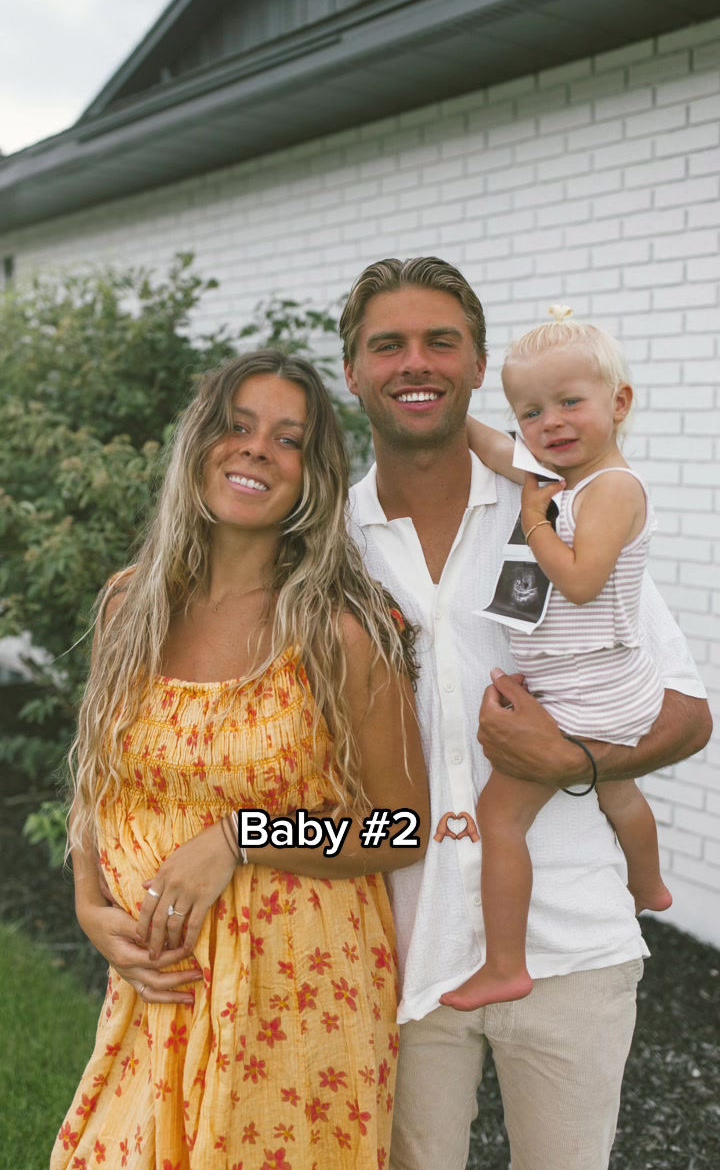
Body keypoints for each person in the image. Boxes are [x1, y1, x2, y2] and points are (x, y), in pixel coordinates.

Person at [339, 257, 711, 1170]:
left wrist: (574, 762)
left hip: (570, 943)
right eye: (388, 345)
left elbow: (687, 715)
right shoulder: (329, 543)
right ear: (351, 371)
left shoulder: (562, 509)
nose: (415, 363)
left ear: (476, 366)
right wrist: (240, 840)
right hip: (403, 950)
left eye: (441, 342)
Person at [52, 350, 429, 1170]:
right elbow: (99, 778)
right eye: (237, 425)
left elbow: (402, 828)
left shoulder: (340, 629)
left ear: (313, 477)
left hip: (295, 997)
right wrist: (88, 903)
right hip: (160, 989)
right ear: (200, 443)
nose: (257, 448)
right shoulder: (132, 604)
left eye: (288, 439)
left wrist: (241, 836)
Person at [441, 306, 674, 1014]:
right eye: (531, 411)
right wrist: (452, 416)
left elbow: (580, 580)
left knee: (500, 818)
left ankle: (505, 964)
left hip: (590, 687)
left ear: (619, 403)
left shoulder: (611, 489)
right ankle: (648, 884)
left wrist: (534, 519)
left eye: (570, 402)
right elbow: (495, 448)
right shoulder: (561, 474)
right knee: (617, 790)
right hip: (595, 680)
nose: (550, 423)